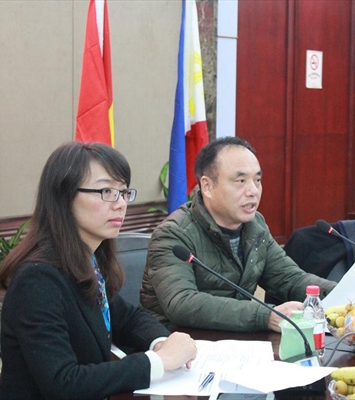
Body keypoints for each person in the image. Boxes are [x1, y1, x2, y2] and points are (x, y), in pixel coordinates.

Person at [0, 142, 197, 399]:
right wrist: (158, 362)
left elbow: (127, 318)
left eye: (123, 192)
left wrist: (162, 342)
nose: (120, 204)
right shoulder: (37, 279)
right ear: (64, 197)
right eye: (106, 191)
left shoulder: (87, 261)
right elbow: (63, 382)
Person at [141, 136, 336, 332]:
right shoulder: (173, 234)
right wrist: (266, 316)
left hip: (236, 339)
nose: (253, 191)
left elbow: (289, 279)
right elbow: (182, 303)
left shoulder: (255, 226)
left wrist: (342, 294)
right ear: (207, 186)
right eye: (240, 181)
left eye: (257, 180)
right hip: (177, 340)